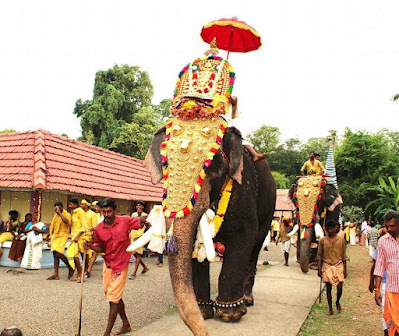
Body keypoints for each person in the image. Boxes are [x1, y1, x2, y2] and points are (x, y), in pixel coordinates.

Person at [84, 198, 147, 336]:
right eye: (104, 212)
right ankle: (126, 324)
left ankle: (107, 333)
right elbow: (101, 247)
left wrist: (150, 221)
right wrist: (90, 246)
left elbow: (141, 220)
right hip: (108, 264)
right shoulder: (99, 229)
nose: (106, 215)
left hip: (121, 264)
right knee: (112, 294)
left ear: (115, 211)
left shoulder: (124, 220)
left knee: (113, 298)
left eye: (109, 211)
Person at [374, 210, 399, 336]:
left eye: (392, 226)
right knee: (391, 327)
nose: (389, 229)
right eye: (387, 226)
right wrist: (377, 289)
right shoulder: (383, 241)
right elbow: (379, 267)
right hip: (391, 290)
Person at [317, 220, 348, 315]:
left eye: (332, 228)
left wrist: (345, 270)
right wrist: (319, 269)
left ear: (335, 229)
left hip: (338, 264)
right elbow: (319, 256)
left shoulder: (341, 240)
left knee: (339, 287)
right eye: (328, 229)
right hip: (327, 265)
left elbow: (344, 256)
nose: (330, 231)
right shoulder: (322, 241)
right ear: (325, 230)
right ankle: (330, 308)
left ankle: (337, 301)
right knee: (329, 288)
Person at [229, 96, 267, 162]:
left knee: (238, 140)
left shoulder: (226, 100)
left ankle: (254, 154)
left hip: (225, 127)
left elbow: (233, 115)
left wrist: (234, 100)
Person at [46, 202, 74, 280]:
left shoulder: (67, 214)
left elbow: (67, 222)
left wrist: (60, 213)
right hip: (55, 235)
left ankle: (70, 267)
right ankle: (56, 274)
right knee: (55, 254)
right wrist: (49, 234)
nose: (56, 210)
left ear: (61, 208)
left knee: (58, 253)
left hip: (63, 235)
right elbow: (52, 225)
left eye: (57, 208)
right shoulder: (55, 215)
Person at [67, 198, 88, 282]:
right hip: (74, 237)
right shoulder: (74, 213)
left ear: (76, 204)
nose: (69, 206)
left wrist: (77, 236)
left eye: (71, 204)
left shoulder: (81, 213)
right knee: (73, 255)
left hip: (80, 238)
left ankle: (82, 274)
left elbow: (84, 226)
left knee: (77, 256)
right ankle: (80, 273)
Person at [369, 247, 388, 336]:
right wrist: (374, 285)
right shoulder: (383, 243)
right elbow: (376, 266)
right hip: (387, 284)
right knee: (386, 314)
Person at [129, 201, 150, 279]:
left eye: (140, 205)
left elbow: (148, 225)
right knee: (135, 253)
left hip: (140, 236)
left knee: (138, 253)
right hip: (133, 235)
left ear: (142, 207)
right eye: (137, 205)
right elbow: (131, 223)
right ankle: (145, 267)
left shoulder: (145, 215)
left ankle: (134, 273)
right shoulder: (134, 215)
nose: (138, 207)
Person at [81, 198, 98, 277]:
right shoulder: (81, 213)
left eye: (82, 204)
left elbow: (95, 227)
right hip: (81, 236)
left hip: (89, 236)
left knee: (88, 254)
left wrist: (93, 238)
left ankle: (87, 270)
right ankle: (85, 269)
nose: (81, 206)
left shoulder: (92, 214)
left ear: (87, 205)